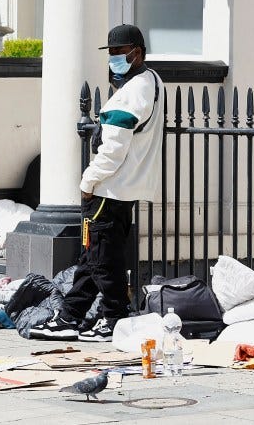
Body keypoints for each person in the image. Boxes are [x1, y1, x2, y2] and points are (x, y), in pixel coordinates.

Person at [31, 24, 164, 343]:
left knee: (103, 257)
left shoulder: (130, 93)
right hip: (124, 188)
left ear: (139, 52)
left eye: (122, 52)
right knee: (95, 254)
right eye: (113, 53)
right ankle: (72, 316)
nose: (116, 58)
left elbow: (113, 151)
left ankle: (114, 318)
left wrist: (87, 182)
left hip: (108, 188)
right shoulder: (152, 82)